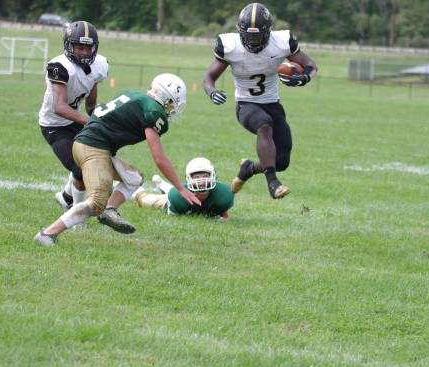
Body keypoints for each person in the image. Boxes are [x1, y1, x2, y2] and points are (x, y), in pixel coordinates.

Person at [34, 73, 201, 246]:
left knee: (134, 178)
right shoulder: (153, 110)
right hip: (93, 147)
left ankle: (110, 209)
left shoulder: (134, 94)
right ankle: (48, 233)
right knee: (97, 200)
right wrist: (181, 188)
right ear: (166, 99)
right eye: (173, 103)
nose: (172, 108)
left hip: (91, 144)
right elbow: (159, 158)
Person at [202, 2, 317, 200]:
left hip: (273, 104)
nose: (253, 40)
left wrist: (303, 77)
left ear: (268, 31)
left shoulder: (281, 41)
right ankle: (273, 183)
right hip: (246, 105)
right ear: (240, 31)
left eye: (257, 35)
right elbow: (208, 77)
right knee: (264, 125)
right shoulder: (230, 46)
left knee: (281, 161)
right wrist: (212, 92)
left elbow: (311, 65)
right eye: (249, 35)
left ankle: (247, 169)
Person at [38, 21, 107, 213]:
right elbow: (59, 107)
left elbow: (92, 90)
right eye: (79, 47)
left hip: (76, 120)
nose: (84, 52)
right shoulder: (59, 66)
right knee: (81, 170)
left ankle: (66, 197)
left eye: (87, 47)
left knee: (100, 156)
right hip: (55, 125)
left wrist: (96, 112)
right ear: (69, 45)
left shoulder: (100, 64)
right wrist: (89, 120)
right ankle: (78, 217)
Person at [133, 157, 234, 219]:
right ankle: (135, 189)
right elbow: (173, 216)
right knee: (145, 200)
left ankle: (161, 184)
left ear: (213, 176)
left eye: (205, 176)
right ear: (188, 179)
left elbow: (222, 211)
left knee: (173, 191)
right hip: (169, 200)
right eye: (197, 177)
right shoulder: (177, 197)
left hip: (181, 192)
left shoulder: (223, 193)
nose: (201, 181)